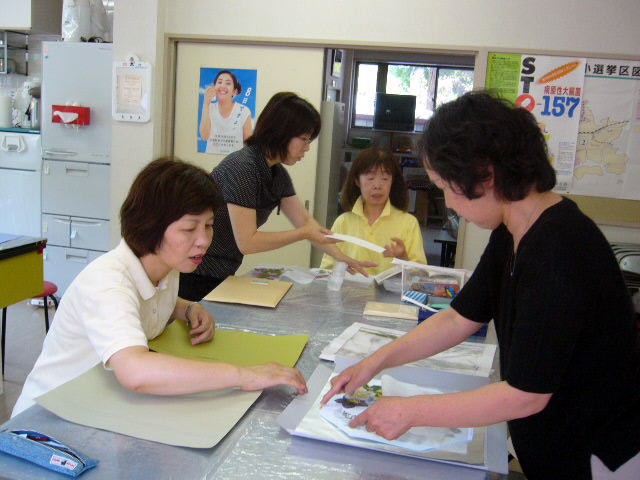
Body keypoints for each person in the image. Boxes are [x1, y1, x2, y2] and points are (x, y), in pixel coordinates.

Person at [321, 92, 640, 479]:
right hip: (550, 439)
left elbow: (526, 395)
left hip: (600, 452)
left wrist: (410, 410)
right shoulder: (513, 230)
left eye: (445, 187)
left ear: (485, 175)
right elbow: (459, 317)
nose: (448, 204)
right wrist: (376, 361)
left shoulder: (560, 248)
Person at [12, 158, 307, 417]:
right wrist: (245, 375)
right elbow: (136, 372)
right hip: (46, 420)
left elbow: (150, 302)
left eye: (208, 225)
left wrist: (187, 308)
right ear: (150, 226)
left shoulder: (166, 268)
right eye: (189, 229)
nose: (204, 240)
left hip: (101, 405)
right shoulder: (107, 284)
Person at [180, 92, 375, 301]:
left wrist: (342, 257)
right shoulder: (242, 167)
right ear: (282, 132)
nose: (307, 147)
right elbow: (247, 242)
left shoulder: (276, 173)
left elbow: (307, 223)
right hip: (196, 272)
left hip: (222, 271)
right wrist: (302, 234)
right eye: (304, 139)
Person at [320, 147, 426, 276]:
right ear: (357, 181)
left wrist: (403, 258)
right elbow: (326, 269)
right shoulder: (343, 222)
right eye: (370, 178)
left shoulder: (408, 223)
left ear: (392, 182)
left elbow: (420, 276)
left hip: (389, 290)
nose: (377, 186)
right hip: (350, 288)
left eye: (384, 178)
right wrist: (341, 268)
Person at [200, 70, 253, 155]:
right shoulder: (209, 107)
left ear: (234, 91)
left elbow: (248, 144)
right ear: (214, 87)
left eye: (228, 83)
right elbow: (204, 136)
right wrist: (206, 103)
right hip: (210, 157)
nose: (222, 86)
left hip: (235, 161)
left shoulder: (244, 111)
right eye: (219, 82)